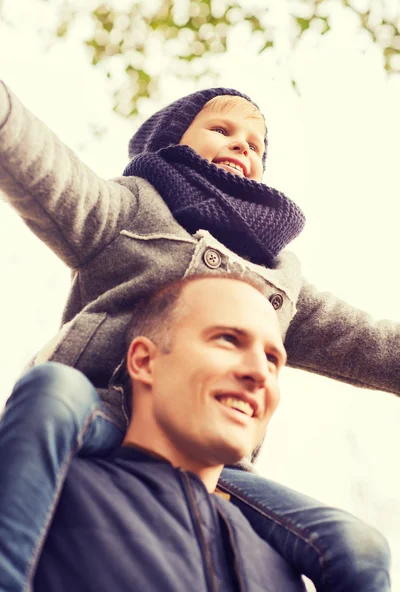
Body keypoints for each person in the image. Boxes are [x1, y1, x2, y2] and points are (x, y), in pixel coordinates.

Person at [0, 81, 392, 591]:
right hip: (99, 413)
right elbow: (40, 161)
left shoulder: (278, 279)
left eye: (255, 144)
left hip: (218, 461)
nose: (242, 146)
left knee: (359, 546)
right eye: (222, 128)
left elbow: (368, 342)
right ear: (170, 143)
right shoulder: (128, 212)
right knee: (51, 391)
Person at [33, 274, 309, 591]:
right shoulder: (49, 494)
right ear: (145, 361)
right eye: (229, 340)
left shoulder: (285, 570)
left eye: (273, 360)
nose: (260, 373)